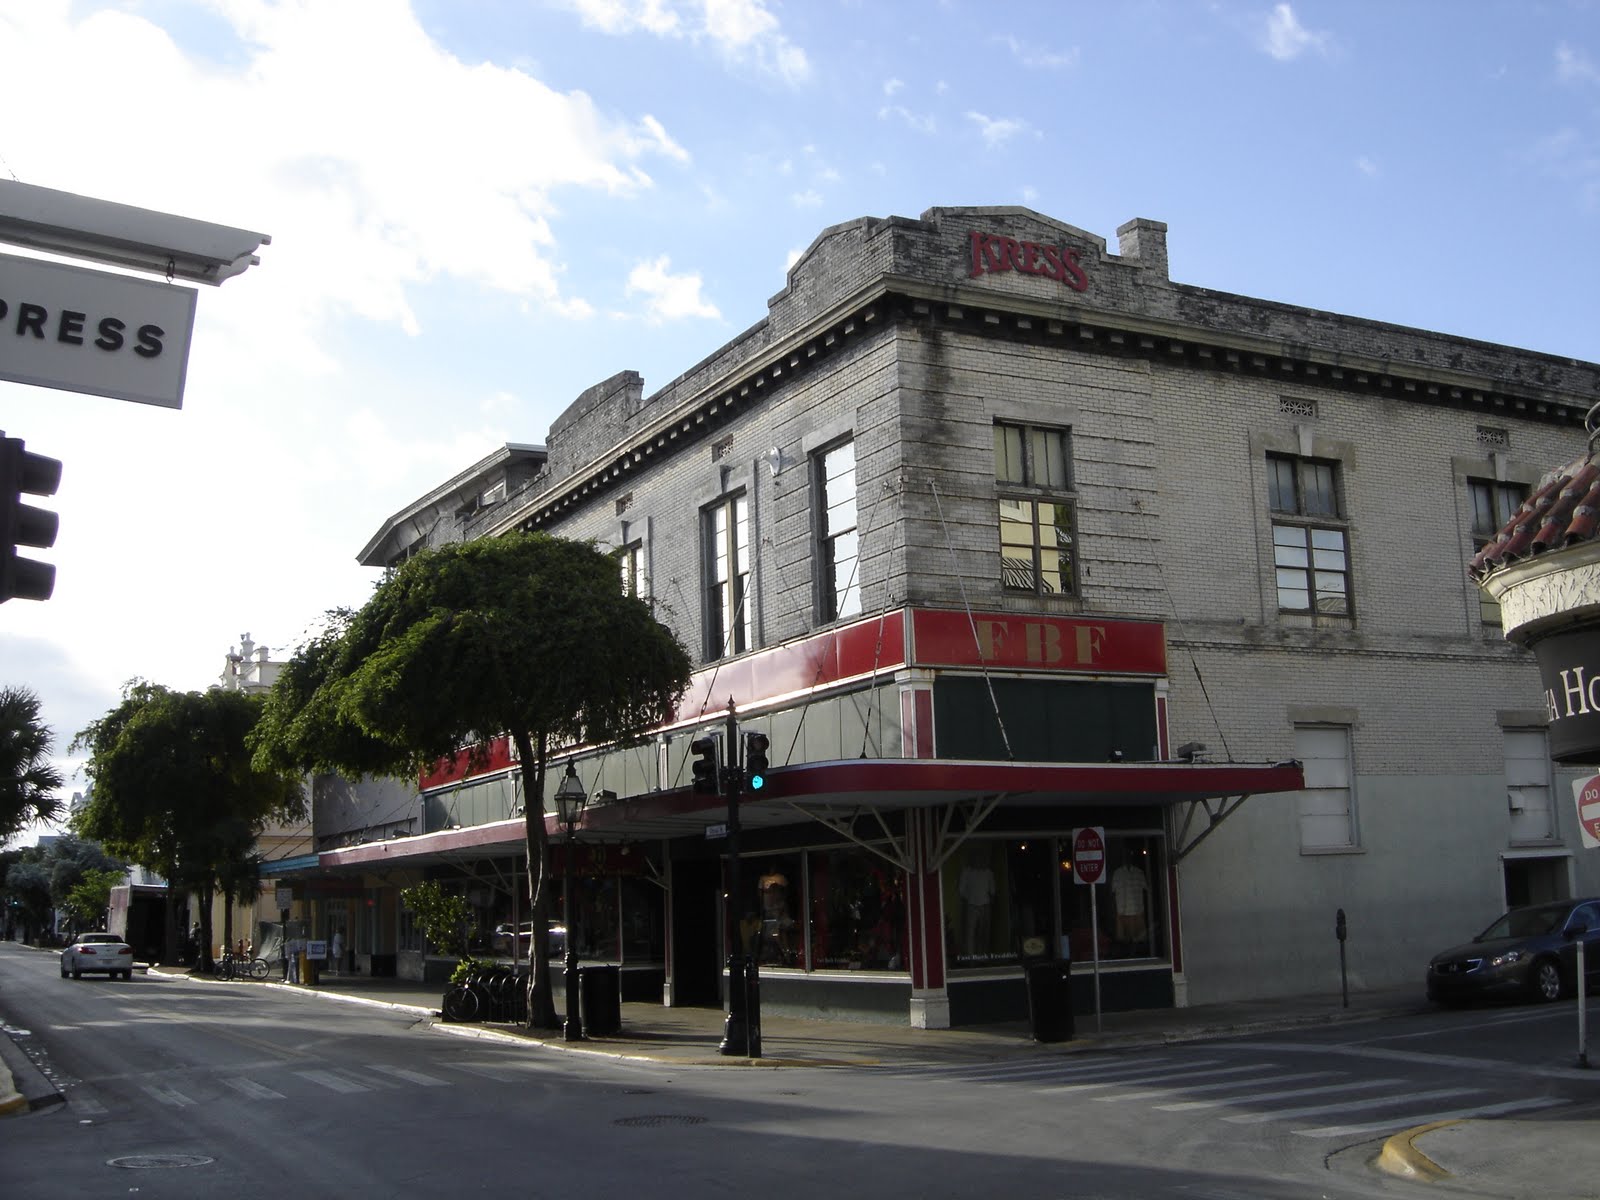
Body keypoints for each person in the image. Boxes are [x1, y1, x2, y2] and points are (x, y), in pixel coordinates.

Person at [1110, 853, 1150, 953]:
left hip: (1137, 911)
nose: (1127, 859)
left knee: (1138, 942)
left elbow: (1146, 890)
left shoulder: (1139, 873)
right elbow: (1112, 892)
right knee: (1124, 942)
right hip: (1123, 912)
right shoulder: (1117, 873)